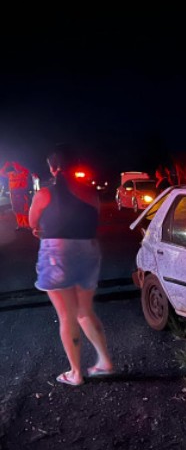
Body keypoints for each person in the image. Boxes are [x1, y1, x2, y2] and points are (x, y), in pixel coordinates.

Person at [28, 144, 114, 386]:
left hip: (57, 252)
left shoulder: (44, 194)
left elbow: (32, 222)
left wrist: (41, 227)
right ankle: (104, 361)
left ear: (52, 167)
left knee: (66, 315)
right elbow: (92, 219)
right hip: (88, 249)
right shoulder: (91, 193)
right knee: (84, 311)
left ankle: (76, 373)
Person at [3, 160, 33, 231]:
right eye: (14, 166)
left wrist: (19, 166)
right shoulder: (11, 174)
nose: (15, 167)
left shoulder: (23, 173)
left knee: (25, 210)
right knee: (17, 210)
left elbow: (27, 171)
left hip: (22, 195)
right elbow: (1, 173)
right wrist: (5, 166)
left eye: (17, 166)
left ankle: (27, 225)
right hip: (14, 196)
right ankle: (20, 225)